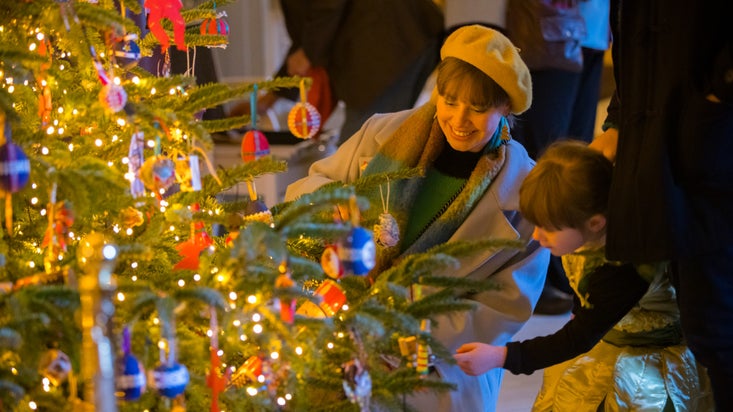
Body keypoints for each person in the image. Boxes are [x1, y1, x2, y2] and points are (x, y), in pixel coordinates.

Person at [285, 25, 549, 411]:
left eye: (477, 108)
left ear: (505, 108)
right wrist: (328, 204)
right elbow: (310, 185)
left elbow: (507, 306)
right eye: (449, 100)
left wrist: (405, 331)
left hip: (435, 356)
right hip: (337, 312)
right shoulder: (383, 132)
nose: (459, 119)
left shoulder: (524, 190)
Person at [454, 140, 713, 411]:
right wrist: (579, 307)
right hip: (607, 334)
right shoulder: (584, 233)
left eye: (549, 229)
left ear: (595, 223)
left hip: (648, 364)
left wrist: (501, 356)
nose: (538, 238)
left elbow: (579, 337)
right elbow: (587, 298)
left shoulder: (623, 271)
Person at [589, 2, 733, 409]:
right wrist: (620, 119)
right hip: (669, 150)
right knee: (705, 328)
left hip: (713, 146)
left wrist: (718, 95)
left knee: (720, 330)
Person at [507, 0, 612, 315]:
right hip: (548, 30)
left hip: (591, 32)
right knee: (546, 157)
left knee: (574, 154)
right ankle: (540, 274)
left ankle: (565, 269)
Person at [231, 0, 444, 143]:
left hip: (387, 42)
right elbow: (303, 43)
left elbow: (325, 9)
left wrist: (308, 51)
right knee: (369, 146)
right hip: (396, 40)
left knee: (358, 149)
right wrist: (270, 99)